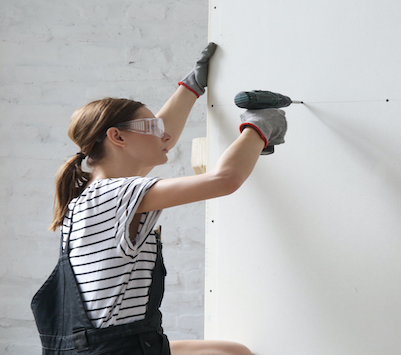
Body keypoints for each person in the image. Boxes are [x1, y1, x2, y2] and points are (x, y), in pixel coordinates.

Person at [31, 42, 287, 355]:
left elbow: (162, 139)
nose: (163, 135)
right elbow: (225, 180)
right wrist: (260, 127)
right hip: (112, 349)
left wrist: (191, 86)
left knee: (232, 352)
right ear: (118, 137)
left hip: (109, 345)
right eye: (152, 127)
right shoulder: (115, 194)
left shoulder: (95, 193)